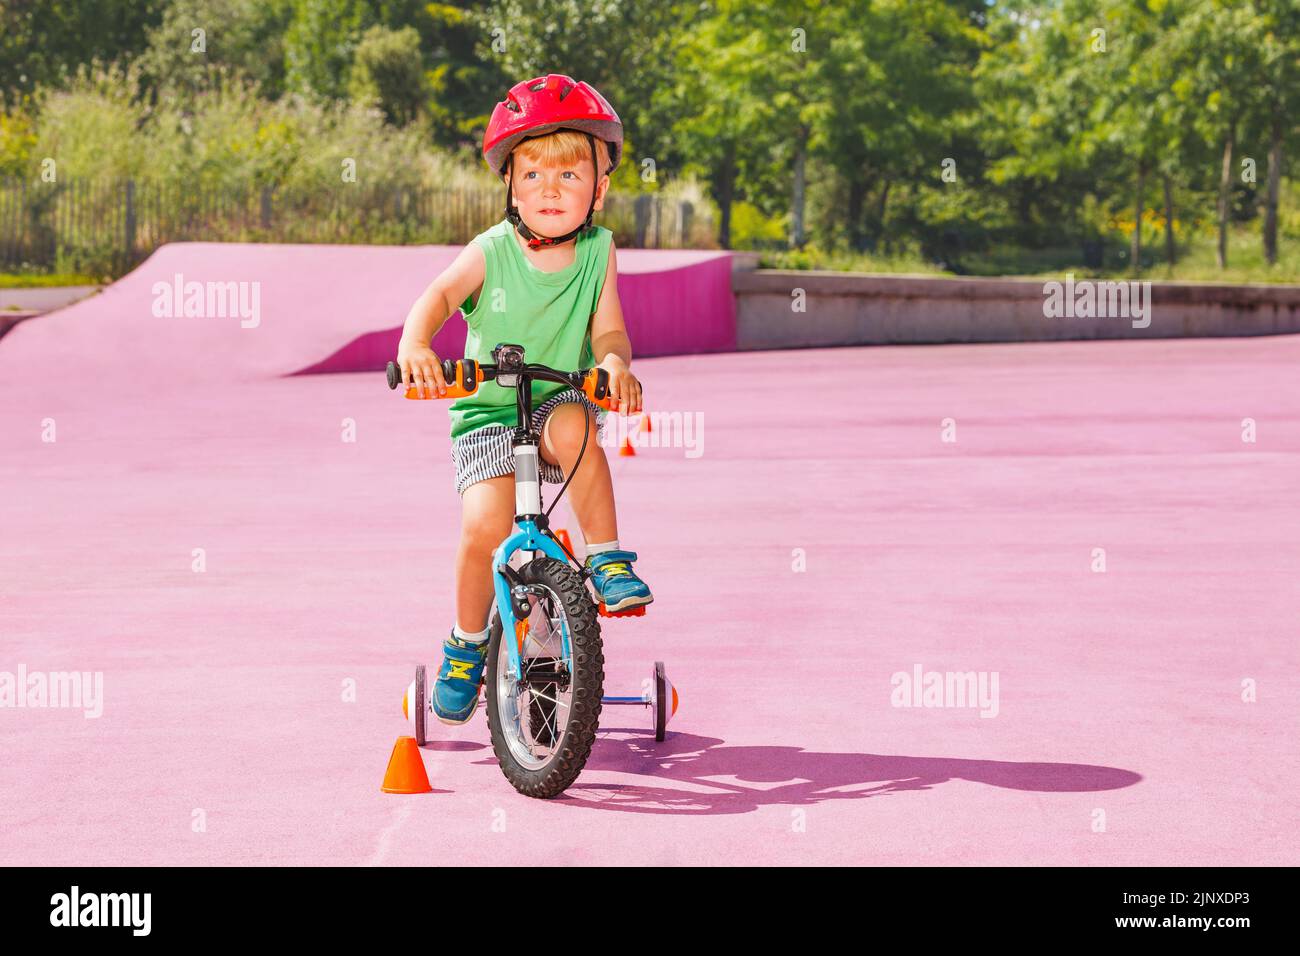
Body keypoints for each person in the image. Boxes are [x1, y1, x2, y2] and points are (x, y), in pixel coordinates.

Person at [395, 73, 653, 726]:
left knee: (574, 427)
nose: (549, 189)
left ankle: (606, 557)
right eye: (533, 172)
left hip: (557, 398)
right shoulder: (491, 250)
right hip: (488, 414)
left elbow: (608, 328)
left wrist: (616, 362)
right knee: (485, 525)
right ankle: (466, 639)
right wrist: (416, 346)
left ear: (601, 185)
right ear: (509, 182)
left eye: (569, 176)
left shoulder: (598, 251)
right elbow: (437, 299)